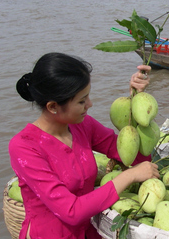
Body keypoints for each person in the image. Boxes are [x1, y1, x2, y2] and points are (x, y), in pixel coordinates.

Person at [9, 53, 160, 239]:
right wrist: (129, 175)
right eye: (81, 101)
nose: (90, 104)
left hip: (90, 231)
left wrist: (136, 102)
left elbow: (136, 157)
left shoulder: (83, 125)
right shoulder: (24, 147)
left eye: (88, 96)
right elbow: (71, 211)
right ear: (53, 106)